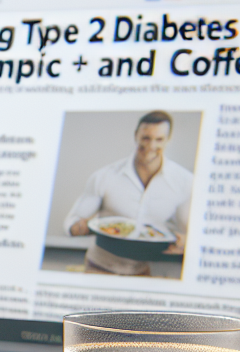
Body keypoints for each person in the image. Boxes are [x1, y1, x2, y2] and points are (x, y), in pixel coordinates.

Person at [63, 110, 192, 276]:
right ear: (136, 136)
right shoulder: (104, 176)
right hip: (99, 267)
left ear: (168, 140)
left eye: (159, 139)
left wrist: (185, 242)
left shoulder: (184, 181)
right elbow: (72, 222)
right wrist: (78, 227)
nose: (151, 146)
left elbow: (188, 232)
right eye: (145, 138)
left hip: (142, 270)